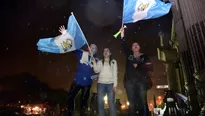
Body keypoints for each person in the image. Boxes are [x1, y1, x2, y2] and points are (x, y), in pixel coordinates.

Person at [59, 26, 98, 116]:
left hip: (87, 83)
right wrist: (65, 35)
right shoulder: (82, 53)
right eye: (91, 47)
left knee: (84, 101)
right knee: (70, 97)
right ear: (88, 48)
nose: (92, 48)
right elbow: (71, 47)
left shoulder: (96, 59)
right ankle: (70, 113)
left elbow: (98, 72)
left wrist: (94, 76)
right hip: (77, 81)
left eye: (94, 48)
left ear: (95, 51)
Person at [119, 27, 153, 116]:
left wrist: (139, 66)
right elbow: (124, 45)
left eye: (137, 45)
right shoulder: (129, 55)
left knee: (143, 103)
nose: (135, 46)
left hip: (141, 83)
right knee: (132, 104)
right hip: (129, 83)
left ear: (139, 47)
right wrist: (122, 34)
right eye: (133, 45)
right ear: (132, 48)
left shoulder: (144, 57)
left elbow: (150, 67)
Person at [92, 48, 118, 116]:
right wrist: (94, 62)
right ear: (103, 53)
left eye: (107, 51)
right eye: (104, 51)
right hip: (101, 84)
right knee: (100, 102)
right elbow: (96, 70)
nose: (106, 52)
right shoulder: (100, 62)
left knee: (111, 102)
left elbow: (115, 73)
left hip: (110, 84)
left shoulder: (113, 61)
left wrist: (115, 85)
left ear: (110, 53)